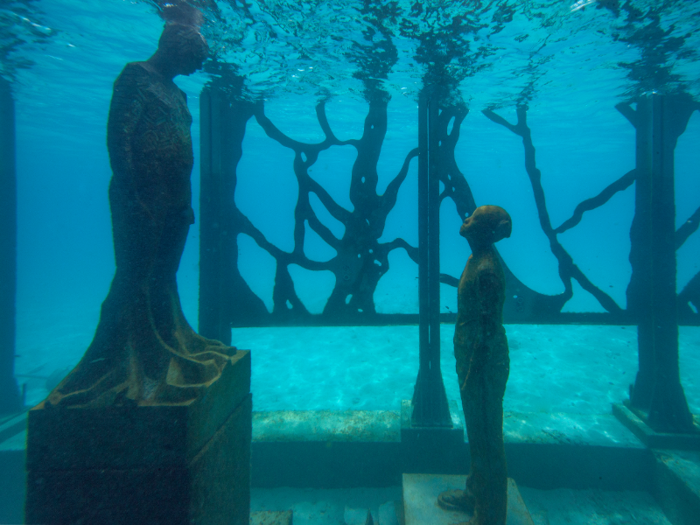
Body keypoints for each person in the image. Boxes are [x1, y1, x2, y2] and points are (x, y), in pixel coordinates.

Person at [47, 22, 235, 407]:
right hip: (143, 200)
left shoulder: (177, 92)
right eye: (194, 58)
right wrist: (135, 196)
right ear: (175, 46)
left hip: (174, 202)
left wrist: (184, 203)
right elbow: (119, 140)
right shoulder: (136, 78)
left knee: (163, 276)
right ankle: (122, 361)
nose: (198, 67)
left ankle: (169, 341)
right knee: (135, 275)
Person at [438, 205, 512, 525]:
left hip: (480, 365)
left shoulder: (486, 271)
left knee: (487, 438)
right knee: (478, 433)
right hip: (472, 359)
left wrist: (472, 374)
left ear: (485, 230)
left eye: (473, 218)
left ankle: (490, 515)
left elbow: (486, 331)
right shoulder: (477, 259)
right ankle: (477, 493)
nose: (465, 220)